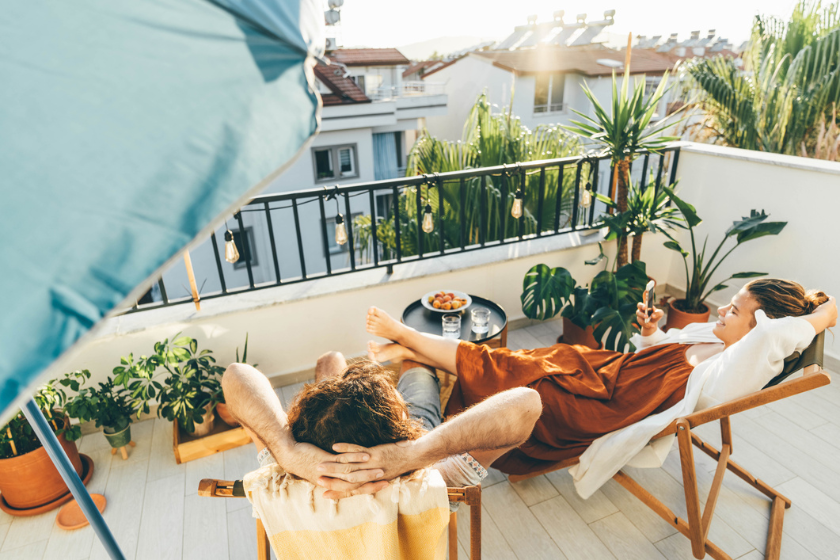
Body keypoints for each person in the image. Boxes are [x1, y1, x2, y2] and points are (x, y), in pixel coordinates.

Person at [346, 279, 835, 497]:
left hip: (603, 409)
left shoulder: (741, 364)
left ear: (763, 327)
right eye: (728, 304)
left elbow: (775, 335)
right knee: (522, 359)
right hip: (604, 372)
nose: (723, 312)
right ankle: (413, 351)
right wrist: (650, 331)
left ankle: (411, 342)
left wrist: (825, 313)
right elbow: (660, 353)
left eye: (736, 311)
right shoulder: (714, 337)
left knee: (513, 373)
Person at [221, 353, 542, 500]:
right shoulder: (427, 485)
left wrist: (288, 453)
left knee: (330, 361)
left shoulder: (284, 488)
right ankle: (410, 358)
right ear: (400, 430)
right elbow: (527, 405)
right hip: (410, 454)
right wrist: (416, 452)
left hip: (328, 456)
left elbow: (235, 375)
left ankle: (350, 385)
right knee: (417, 368)